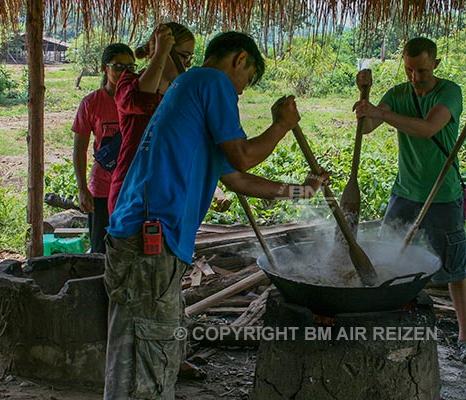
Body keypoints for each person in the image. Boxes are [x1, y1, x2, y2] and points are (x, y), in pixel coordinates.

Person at [103, 31, 328, 399]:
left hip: (146, 237)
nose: (240, 92)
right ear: (239, 60)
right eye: (246, 80)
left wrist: (301, 192)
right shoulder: (212, 81)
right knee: (145, 358)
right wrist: (282, 125)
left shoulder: (188, 89)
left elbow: (236, 178)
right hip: (151, 240)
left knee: (136, 352)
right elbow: (243, 156)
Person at [353, 37, 466, 365]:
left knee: (455, 267)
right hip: (405, 192)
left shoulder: (449, 92)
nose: (415, 77)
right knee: (386, 257)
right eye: (409, 70)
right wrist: (363, 100)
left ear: (435, 64)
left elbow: (427, 129)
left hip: (443, 193)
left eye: (422, 70)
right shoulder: (396, 95)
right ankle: (383, 320)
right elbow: (367, 127)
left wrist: (380, 112)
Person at [107, 22, 195, 214]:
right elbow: (141, 99)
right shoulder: (127, 83)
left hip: (168, 189)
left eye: (190, 58)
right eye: (183, 56)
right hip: (132, 188)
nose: (187, 64)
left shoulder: (180, 93)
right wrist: (161, 53)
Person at [72, 43, 135, 253]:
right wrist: (82, 189)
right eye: (118, 67)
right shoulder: (91, 103)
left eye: (130, 68)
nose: (124, 73)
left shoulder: (139, 101)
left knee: (130, 247)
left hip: (132, 187)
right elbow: (79, 149)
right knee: (100, 249)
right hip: (102, 189)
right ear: (104, 68)